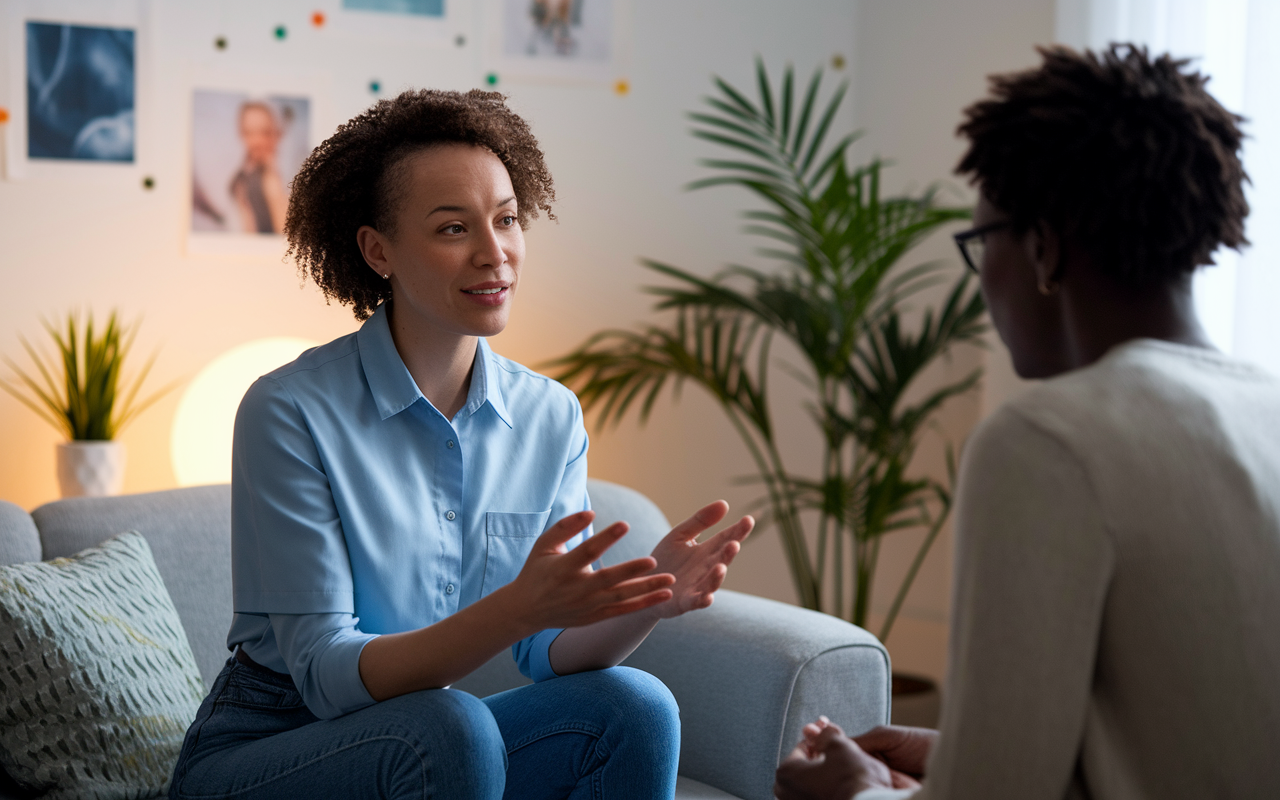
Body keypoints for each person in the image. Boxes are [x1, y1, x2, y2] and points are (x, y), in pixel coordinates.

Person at [168, 88, 754, 799]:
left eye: (507, 219)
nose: (494, 252)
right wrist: (517, 607)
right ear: (376, 249)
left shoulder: (550, 416)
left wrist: (646, 603)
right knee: (452, 723)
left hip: (425, 732)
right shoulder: (289, 409)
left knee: (634, 705)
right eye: (453, 229)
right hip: (268, 749)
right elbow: (326, 675)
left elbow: (545, 651)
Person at [774, 44, 1280, 800]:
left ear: (1042, 247)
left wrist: (859, 795)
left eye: (981, 243)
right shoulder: (1264, 407)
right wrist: (953, 752)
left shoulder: (1048, 441)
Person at [230, 101, 288, 234]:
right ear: (241, 133)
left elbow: (285, 233)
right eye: (249, 132)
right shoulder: (241, 174)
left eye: (264, 133)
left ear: (276, 133)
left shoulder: (274, 177)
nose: (257, 141)